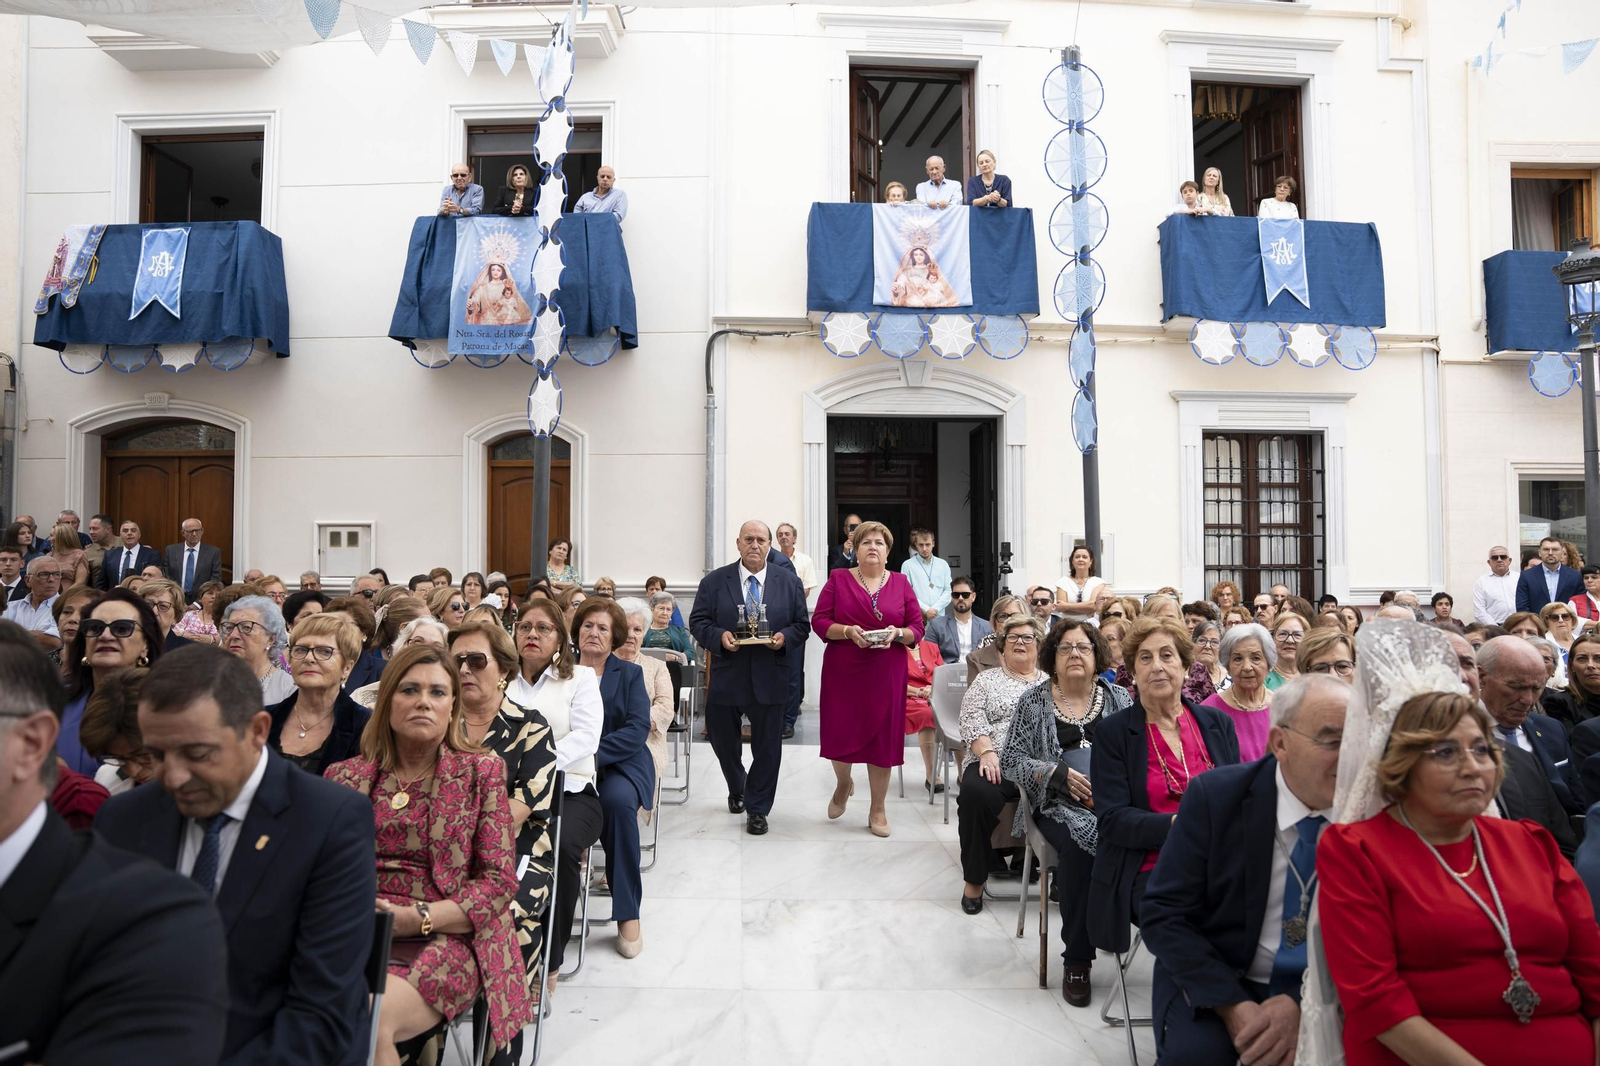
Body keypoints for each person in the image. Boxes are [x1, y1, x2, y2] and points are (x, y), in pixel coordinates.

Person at [97, 644, 376, 1065]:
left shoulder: (330, 822)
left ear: (257, 731)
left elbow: (320, 1016)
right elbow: (100, 976)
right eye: (155, 755)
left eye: (197, 753)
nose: (171, 777)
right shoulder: (122, 821)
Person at [1312, 680, 1600, 1066]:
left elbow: (1594, 974)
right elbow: (1375, 999)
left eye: (1482, 750)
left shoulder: (1532, 842)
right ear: (1402, 763)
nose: (1472, 767)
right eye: (1446, 752)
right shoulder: (1357, 850)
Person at [0, 638, 229, 1065]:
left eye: (149, 756)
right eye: (131, 761)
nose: (147, 773)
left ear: (32, 744)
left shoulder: (154, 919)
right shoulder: (120, 814)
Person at [321, 644, 531, 1065]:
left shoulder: (481, 772)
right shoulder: (343, 777)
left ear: (453, 704)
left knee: (366, 1017)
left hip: (449, 935)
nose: (423, 702)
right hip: (351, 930)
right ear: (387, 701)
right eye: (409, 690)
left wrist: (416, 919)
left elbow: (497, 885)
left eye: (437, 692)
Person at [1141, 675, 1348, 1065]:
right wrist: (1233, 1006)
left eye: (1358, 740)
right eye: (1332, 741)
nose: (1350, 756)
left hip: (1333, 986)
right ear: (1280, 743)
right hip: (1224, 976)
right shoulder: (1217, 798)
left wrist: (1302, 1002)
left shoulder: (1373, 813)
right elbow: (1164, 914)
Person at [1088, 617, 1240, 962]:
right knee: (1196, 922)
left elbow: (1235, 800)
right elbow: (1112, 820)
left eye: (1167, 655)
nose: (1156, 666)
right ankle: (1210, 1001)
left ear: (1186, 667)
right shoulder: (1114, 734)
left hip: (1217, 861)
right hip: (1149, 867)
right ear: (1133, 672)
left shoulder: (1217, 724)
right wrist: (1176, 825)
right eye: (1145, 658)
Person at [1000, 619, 1132, 1001]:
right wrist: (1054, 773)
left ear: (1097, 655)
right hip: (1055, 806)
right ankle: (1077, 960)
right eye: (1065, 648)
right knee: (1079, 845)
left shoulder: (1119, 698)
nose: (1075, 654)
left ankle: (1118, 927)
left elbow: (1137, 754)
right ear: (1052, 658)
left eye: (1084, 647)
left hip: (1113, 802)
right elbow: (1010, 759)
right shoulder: (1034, 701)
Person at [447, 621, 557, 1043]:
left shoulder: (531, 727)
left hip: (515, 857)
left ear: (505, 670)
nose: (464, 671)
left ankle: (500, 1049)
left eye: (476, 661)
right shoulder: (436, 722)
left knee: (505, 921)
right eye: (455, 661)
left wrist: (448, 826)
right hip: (440, 862)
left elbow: (513, 814)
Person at [504, 596, 602, 1003]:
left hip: (570, 790)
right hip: (506, 795)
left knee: (558, 853)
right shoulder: (500, 679)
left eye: (543, 628)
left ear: (560, 639)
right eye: (525, 626)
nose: (532, 634)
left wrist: (534, 764)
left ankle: (550, 957)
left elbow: (585, 738)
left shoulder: (579, 678)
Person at [689, 521, 808, 835]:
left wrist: (784, 637)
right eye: (749, 539)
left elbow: (802, 625)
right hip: (728, 673)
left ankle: (757, 809)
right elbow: (698, 621)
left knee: (768, 748)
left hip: (771, 675)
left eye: (761, 539)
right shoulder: (715, 581)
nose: (755, 545)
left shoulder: (788, 581)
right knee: (721, 738)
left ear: (770, 544)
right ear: (738, 543)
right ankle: (737, 784)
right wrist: (719, 636)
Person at [814, 520, 926, 837]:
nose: (872, 547)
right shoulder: (838, 579)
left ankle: (878, 808)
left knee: (882, 739)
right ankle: (843, 783)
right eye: (866, 542)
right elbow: (820, 621)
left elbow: (917, 628)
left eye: (879, 542)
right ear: (856, 550)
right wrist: (847, 631)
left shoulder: (902, 583)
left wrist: (898, 633)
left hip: (886, 670)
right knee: (840, 732)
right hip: (843, 668)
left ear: (888, 552)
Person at [571, 597, 655, 954]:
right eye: (588, 625)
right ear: (576, 632)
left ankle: (627, 912)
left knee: (618, 804)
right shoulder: (560, 672)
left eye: (602, 628)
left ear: (614, 637)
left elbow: (637, 729)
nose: (594, 633)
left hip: (618, 763)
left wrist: (588, 755)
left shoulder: (629, 674)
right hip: (565, 766)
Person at [955, 612, 1047, 908]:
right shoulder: (986, 680)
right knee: (975, 794)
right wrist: (986, 751)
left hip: (1038, 765)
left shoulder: (1051, 684)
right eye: (1013, 637)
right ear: (1002, 647)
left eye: (1027, 637)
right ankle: (974, 881)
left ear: (1038, 645)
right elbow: (970, 717)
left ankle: (1060, 876)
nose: (1020, 642)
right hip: (993, 761)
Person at [1477, 635, 1582, 822]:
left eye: (1537, 688)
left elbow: (1575, 804)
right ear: (1481, 677)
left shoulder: (1551, 730)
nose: (1528, 700)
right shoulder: (1455, 735)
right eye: (1516, 687)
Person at [60, 589, 163, 775]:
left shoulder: (167, 707)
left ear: (145, 645)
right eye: (95, 628)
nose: (105, 636)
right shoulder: (54, 702)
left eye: (122, 628)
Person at [266, 612, 369, 776]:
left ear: (347, 668)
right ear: (290, 662)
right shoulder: (263, 718)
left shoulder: (366, 725)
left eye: (324, 651)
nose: (309, 658)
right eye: (301, 650)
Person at [616, 598, 676, 787]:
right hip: (602, 739)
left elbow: (665, 709)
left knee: (626, 786)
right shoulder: (601, 663)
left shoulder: (657, 667)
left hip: (645, 741)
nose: (631, 635)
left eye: (637, 630)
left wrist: (631, 723)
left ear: (644, 633)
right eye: (625, 628)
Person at [1201, 622, 1276, 762]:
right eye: (1238, 659)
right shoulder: (1209, 710)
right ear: (1227, 666)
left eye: (1256, 658)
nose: (1247, 667)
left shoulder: (1284, 707)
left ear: (1269, 664)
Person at [220, 594, 297, 704]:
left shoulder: (288, 689)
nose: (234, 635)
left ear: (270, 639)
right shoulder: (212, 683)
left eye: (246, 627)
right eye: (229, 627)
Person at [927, 574, 992, 666]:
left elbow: (991, 658)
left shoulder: (987, 627)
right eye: (956, 595)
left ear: (973, 597)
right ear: (952, 597)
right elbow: (929, 656)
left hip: (977, 675)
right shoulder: (936, 625)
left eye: (965, 595)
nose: (960, 598)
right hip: (947, 675)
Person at [4, 555, 62, 651]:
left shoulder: (66, 608)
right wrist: (35, 634)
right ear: (28, 580)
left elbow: (53, 641)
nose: (51, 579)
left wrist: (13, 636)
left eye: (56, 574)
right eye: (44, 574)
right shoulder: (10, 607)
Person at [1518, 535, 1584, 613]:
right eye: (1546, 549)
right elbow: (1522, 606)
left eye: (1555, 550)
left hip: (1566, 623)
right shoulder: (1527, 576)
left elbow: (1580, 605)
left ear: (1562, 553)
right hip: (1537, 623)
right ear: (1539, 553)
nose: (1550, 553)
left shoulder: (1575, 576)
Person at [968, 593, 1026, 682]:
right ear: (995, 623)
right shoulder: (976, 659)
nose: (1008, 621)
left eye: (1015, 616)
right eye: (1003, 616)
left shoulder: (1039, 655)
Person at [162, 518, 221, 602]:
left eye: (197, 531)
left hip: (202, 602)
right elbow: (166, 576)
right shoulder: (171, 550)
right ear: (183, 533)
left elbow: (215, 579)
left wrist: (197, 603)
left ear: (202, 531)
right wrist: (177, 598)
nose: (194, 534)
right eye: (190, 531)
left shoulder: (213, 552)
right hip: (175, 599)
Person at [901, 527, 952, 623]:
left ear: (933, 543)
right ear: (916, 544)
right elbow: (907, 592)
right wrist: (926, 610)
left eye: (927, 545)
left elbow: (948, 590)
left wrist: (935, 609)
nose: (924, 549)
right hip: (917, 616)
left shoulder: (943, 564)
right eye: (921, 545)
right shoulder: (907, 565)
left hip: (939, 616)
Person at [95, 519, 160, 590]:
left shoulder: (152, 555)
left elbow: (156, 582)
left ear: (139, 534)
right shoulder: (110, 555)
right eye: (125, 531)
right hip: (115, 598)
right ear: (120, 535)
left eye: (133, 530)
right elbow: (101, 583)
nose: (129, 533)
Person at [464, 262, 532, 325]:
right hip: (485, 324)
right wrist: (471, 306)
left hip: (504, 324)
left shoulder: (507, 287)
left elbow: (515, 303)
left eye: (498, 270)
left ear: (503, 272)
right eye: (493, 270)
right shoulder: (482, 288)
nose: (495, 272)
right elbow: (475, 303)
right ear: (490, 271)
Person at [49, 583, 97, 673]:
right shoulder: (42, 662)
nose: (72, 619)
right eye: (67, 612)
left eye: (83, 614)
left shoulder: (102, 666)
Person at [1468, 544, 1518, 624]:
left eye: (1503, 557)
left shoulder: (1519, 578)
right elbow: (1479, 611)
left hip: (1519, 626)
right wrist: (1495, 629)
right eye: (1495, 558)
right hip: (1494, 628)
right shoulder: (1481, 582)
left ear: (1510, 561)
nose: (1499, 560)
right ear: (1489, 562)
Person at [1054, 543, 1107, 620]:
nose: (1081, 559)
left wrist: (1067, 606)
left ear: (1091, 561)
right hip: (1067, 624)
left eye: (1084, 557)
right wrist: (1087, 609)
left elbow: (1093, 606)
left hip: (1091, 624)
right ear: (1072, 561)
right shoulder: (1063, 582)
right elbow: (1061, 608)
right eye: (1077, 557)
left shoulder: (1098, 582)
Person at [138, 577, 188, 652]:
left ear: (176, 616)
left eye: (163, 606)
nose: (154, 611)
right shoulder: (126, 645)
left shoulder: (189, 651)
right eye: (148, 604)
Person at [1265, 611, 1307, 690]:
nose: (1290, 640)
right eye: (1283, 634)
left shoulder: (1313, 674)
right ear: (1272, 638)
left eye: (1297, 635)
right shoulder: (1262, 677)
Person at [1188, 619, 1226, 699]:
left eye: (1215, 642)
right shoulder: (1182, 676)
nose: (1208, 646)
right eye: (1202, 640)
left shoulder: (1231, 675)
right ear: (1193, 643)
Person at [44, 520, 88, 586]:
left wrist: (64, 596)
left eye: (52, 535)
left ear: (62, 537)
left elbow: (80, 583)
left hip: (71, 594)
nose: (49, 539)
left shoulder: (79, 555)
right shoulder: (49, 556)